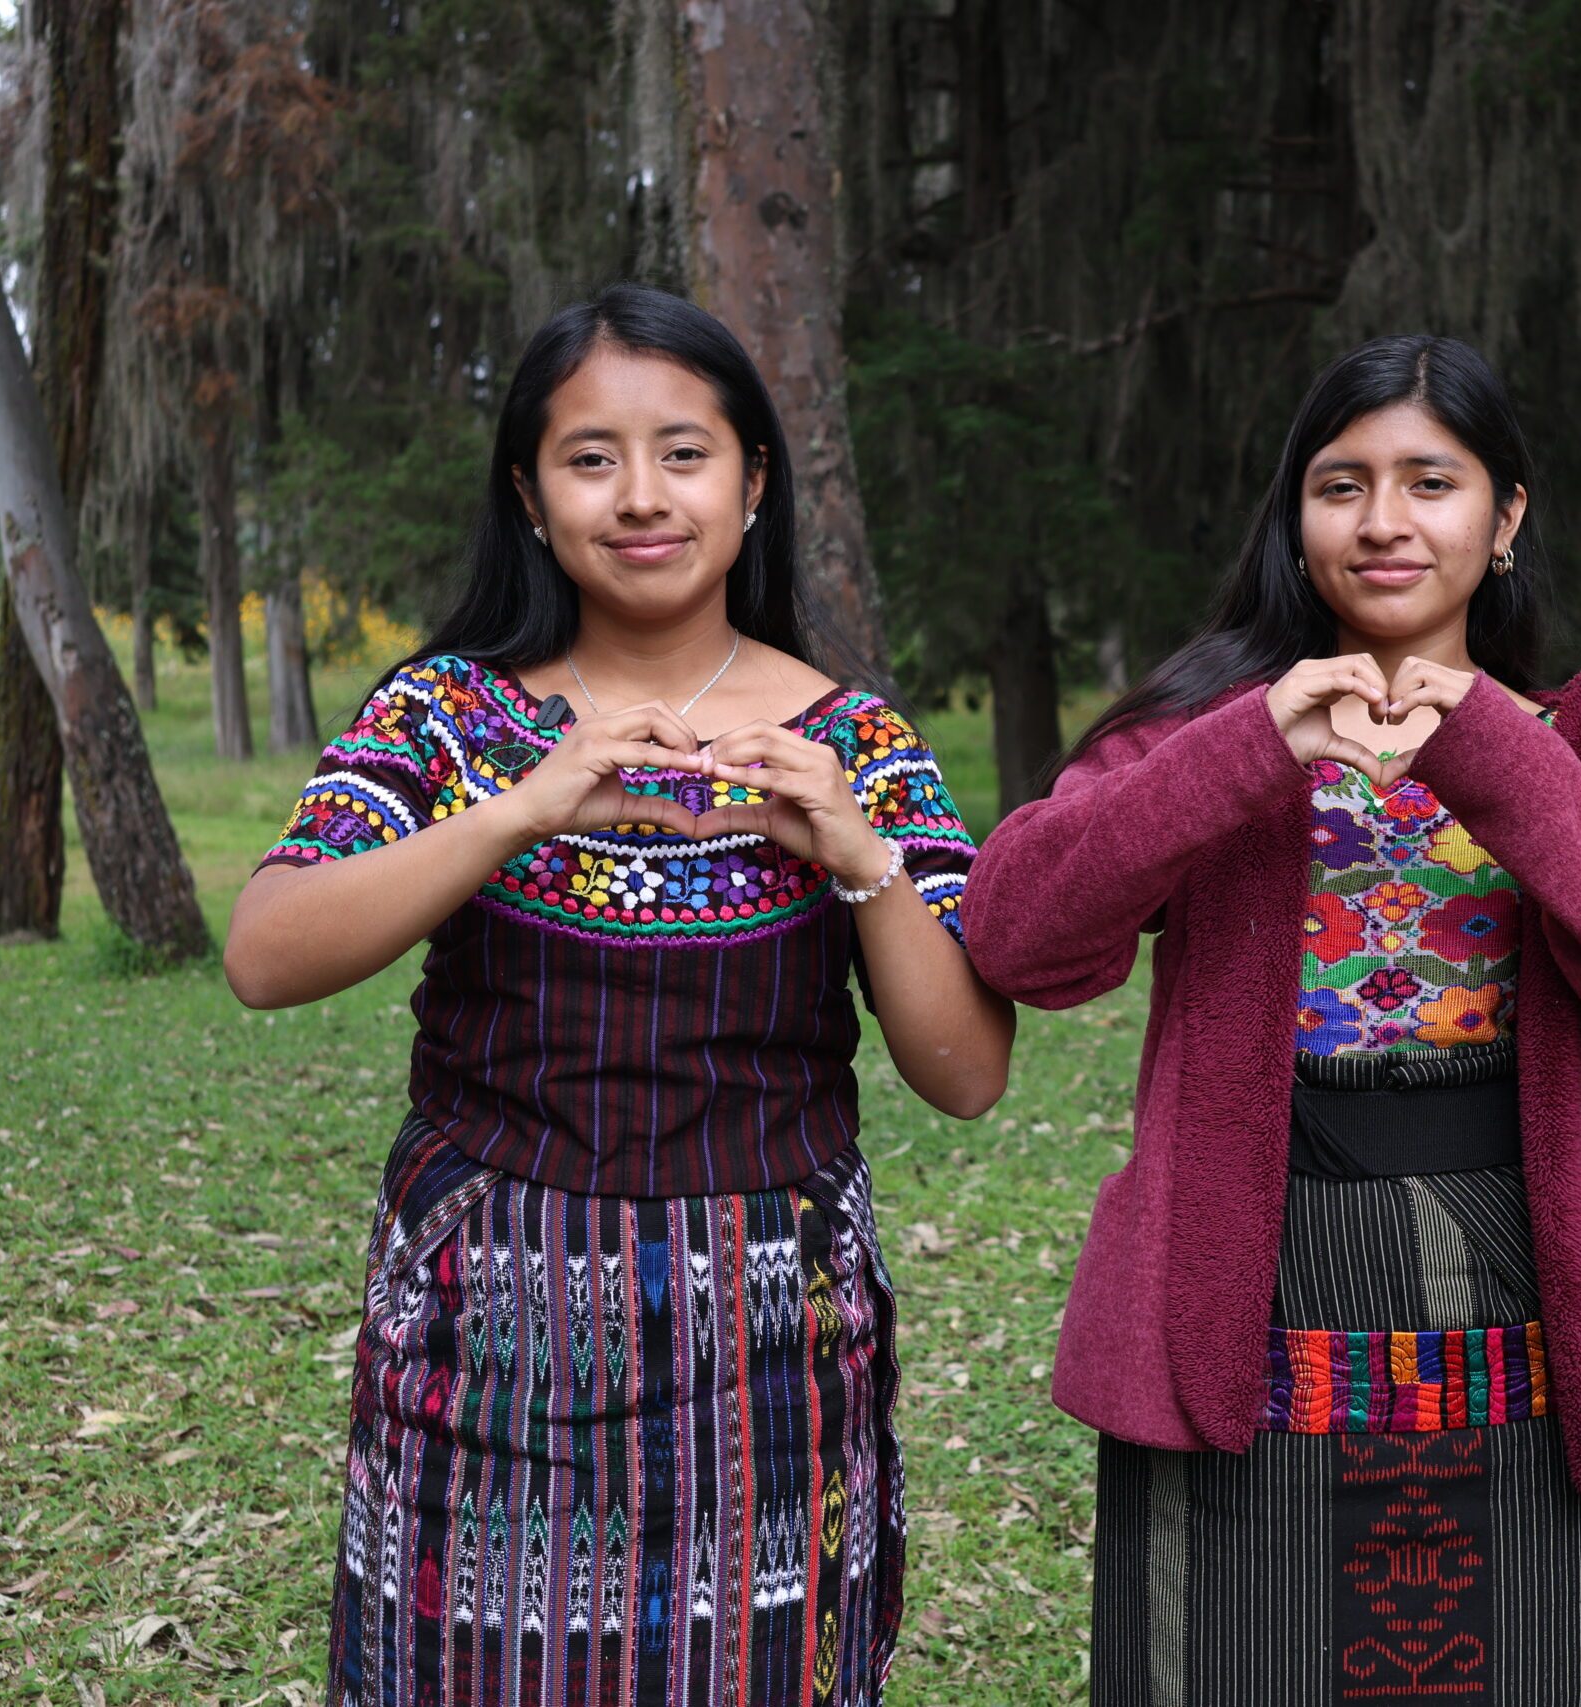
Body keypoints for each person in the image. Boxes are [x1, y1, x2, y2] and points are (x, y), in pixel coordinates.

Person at [226, 283, 1013, 1706]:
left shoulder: (855, 743)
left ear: (754, 484)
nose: (641, 496)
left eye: (684, 453)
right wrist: (519, 810)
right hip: (482, 1334)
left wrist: (862, 857)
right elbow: (266, 954)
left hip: (772, 1353)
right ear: (531, 498)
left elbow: (964, 1073)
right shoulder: (445, 716)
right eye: (590, 458)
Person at [964, 333, 1581, 1705]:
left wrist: (1496, 752)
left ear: (1504, 518)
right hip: (1238, 1284)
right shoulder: (1210, 729)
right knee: (1228, 1661)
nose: (1384, 521)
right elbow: (1021, 934)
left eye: (1431, 483)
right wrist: (1250, 744)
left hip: (1515, 1295)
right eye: (1342, 485)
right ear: (1296, 518)